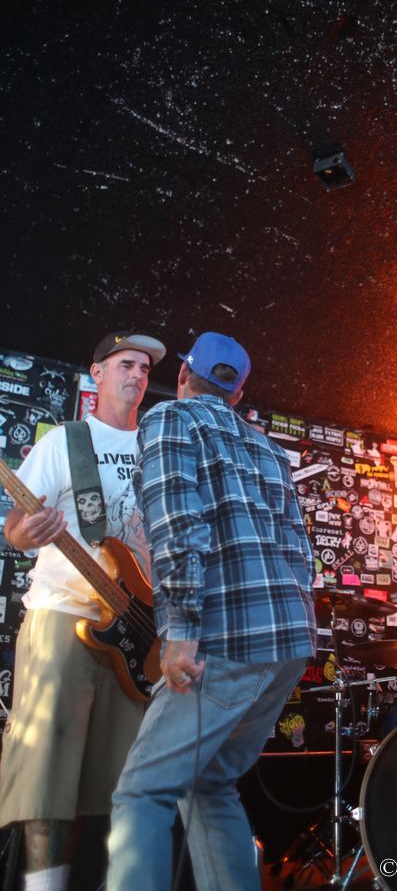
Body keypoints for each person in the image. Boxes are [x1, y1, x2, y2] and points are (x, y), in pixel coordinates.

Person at [106, 331, 317, 891]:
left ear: (182, 377)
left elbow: (178, 526)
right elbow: (300, 553)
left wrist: (180, 631)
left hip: (225, 642)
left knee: (143, 791)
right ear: (237, 394)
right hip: (289, 644)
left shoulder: (169, 420)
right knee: (210, 785)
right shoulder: (269, 450)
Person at [0, 331, 166, 891]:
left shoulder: (157, 449)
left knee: (117, 782)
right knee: (48, 771)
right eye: (126, 364)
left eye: (145, 368)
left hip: (139, 631)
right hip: (63, 615)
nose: (137, 375)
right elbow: (15, 527)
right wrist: (29, 530)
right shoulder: (66, 441)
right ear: (97, 373)